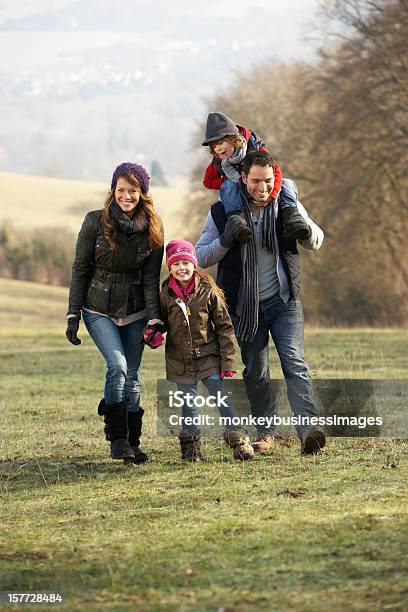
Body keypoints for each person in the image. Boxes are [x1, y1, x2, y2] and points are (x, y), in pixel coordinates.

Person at [196, 150, 326, 455]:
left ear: (274, 178)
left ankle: (308, 432)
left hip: (283, 302)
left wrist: (304, 231)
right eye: (256, 181)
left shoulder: (285, 205)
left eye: (268, 181)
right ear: (244, 178)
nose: (263, 188)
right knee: (255, 370)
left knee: (295, 363)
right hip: (244, 307)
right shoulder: (222, 212)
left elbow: (317, 239)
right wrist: (226, 239)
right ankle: (266, 433)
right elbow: (200, 255)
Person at [66, 162, 164, 462]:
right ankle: (117, 439)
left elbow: (150, 279)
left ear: (142, 193)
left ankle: (133, 442)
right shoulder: (95, 222)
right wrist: (73, 314)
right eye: (121, 190)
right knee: (118, 367)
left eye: (132, 191)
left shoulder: (153, 228)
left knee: (133, 376)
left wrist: (155, 317)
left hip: (134, 310)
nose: (126, 196)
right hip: (98, 309)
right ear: (113, 191)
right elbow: (80, 269)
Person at [159, 239, 254, 462]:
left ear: (194, 264)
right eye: (176, 264)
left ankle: (239, 441)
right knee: (188, 405)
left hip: (209, 358)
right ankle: (191, 449)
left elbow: (224, 328)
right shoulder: (165, 294)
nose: (181, 268)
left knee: (221, 399)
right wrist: (153, 333)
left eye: (186, 263)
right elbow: (161, 321)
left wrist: (228, 362)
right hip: (180, 361)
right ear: (169, 267)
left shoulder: (208, 291)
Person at [202, 111, 310, 244]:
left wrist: (272, 195)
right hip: (239, 195)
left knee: (287, 183)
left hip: (263, 191)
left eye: (220, 143)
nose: (217, 149)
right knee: (228, 186)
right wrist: (231, 180)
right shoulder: (218, 162)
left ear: (232, 139)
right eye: (213, 146)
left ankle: (292, 217)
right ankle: (236, 221)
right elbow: (207, 181)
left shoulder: (255, 148)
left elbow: (276, 171)